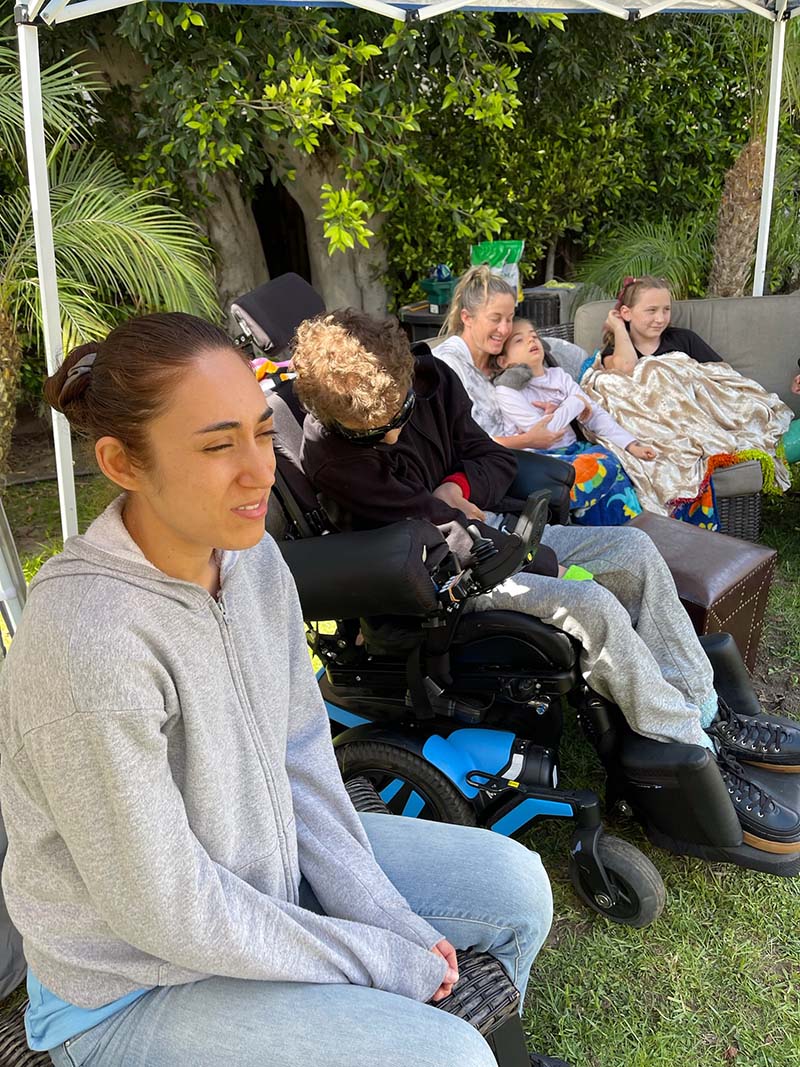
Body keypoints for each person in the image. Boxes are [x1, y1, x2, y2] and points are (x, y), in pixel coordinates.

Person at [0, 313, 567, 1067]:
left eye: (262, 433)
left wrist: (387, 916)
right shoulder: (87, 640)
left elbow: (301, 758)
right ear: (122, 463)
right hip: (132, 985)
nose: (259, 471)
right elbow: (166, 907)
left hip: (266, 871)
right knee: (444, 1056)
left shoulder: (253, 561)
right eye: (216, 445)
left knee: (516, 886)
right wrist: (376, 958)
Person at [293, 308, 800, 856]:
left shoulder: (431, 377)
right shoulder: (332, 460)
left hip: (492, 532)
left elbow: (491, 458)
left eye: (402, 414)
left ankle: (707, 713)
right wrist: (530, 554)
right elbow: (439, 539)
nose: (394, 433)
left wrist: (456, 488)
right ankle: (690, 745)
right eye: (374, 435)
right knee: (590, 604)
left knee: (634, 552)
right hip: (438, 580)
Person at [432, 267, 643, 526]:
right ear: (467, 317)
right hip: (492, 471)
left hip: (523, 457)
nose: (504, 329)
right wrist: (528, 439)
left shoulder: (499, 360)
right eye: (495, 318)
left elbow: (536, 395)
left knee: (610, 467)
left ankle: (617, 532)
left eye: (509, 318)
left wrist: (553, 410)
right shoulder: (448, 364)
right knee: (600, 466)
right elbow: (461, 443)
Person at [491, 319, 655, 526]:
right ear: (503, 361)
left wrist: (631, 444)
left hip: (574, 451)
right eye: (519, 340)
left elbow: (594, 413)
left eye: (533, 335)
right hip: (540, 460)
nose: (531, 340)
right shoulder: (507, 391)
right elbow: (544, 435)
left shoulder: (559, 376)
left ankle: (623, 529)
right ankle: (566, 506)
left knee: (614, 465)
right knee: (599, 466)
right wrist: (574, 404)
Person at [601, 276, 722, 373]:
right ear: (626, 313)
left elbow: (722, 372)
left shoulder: (685, 339)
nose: (660, 319)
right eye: (651, 310)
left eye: (666, 309)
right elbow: (625, 369)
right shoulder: (617, 349)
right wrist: (619, 327)